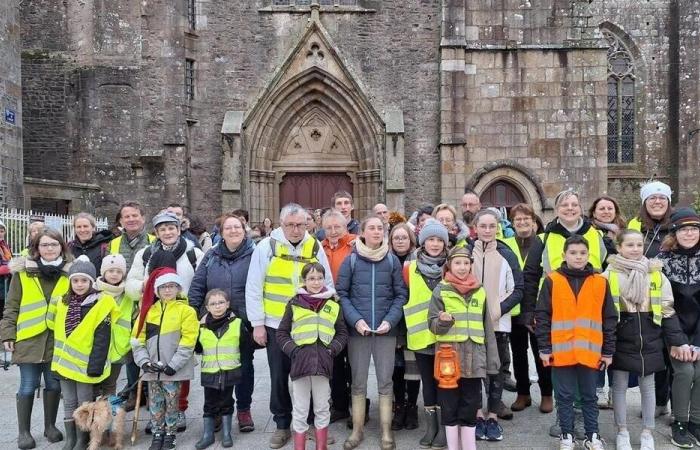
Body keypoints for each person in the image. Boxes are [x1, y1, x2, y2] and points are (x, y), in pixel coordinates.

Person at [245, 203, 333, 449]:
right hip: (276, 325)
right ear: (280, 224)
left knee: (312, 374)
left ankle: (314, 425)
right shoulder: (266, 247)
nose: (295, 230)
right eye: (290, 225)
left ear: (307, 224)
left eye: (300, 225)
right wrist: (258, 325)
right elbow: (253, 287)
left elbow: (327, 282)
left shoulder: (314, 246)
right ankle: (283, 424)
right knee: (278, 375)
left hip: (309, 324)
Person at [522, 189, 609, 437]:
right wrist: (530, 312)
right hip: (557, 310)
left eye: (574, 204)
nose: (570, 208)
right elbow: (530, 276)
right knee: (562, 368)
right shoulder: (544, 238)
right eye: (564, 205)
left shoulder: (595, 234)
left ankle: (582, 420)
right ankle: (564, 419)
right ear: (556, 209)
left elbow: (605, 268)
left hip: (588, 313)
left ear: (580, 207)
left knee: (585, 364)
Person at [602, 229, 688, 450]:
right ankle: (622, 431)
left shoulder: (656, 273)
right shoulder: (608, 275)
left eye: (639, 245)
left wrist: (676, 340)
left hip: (649, 336)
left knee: (648, 387)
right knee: (618, 386)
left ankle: (647, 432)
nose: (635, 249)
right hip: (620, 336)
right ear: (619, 247)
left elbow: (667, 309)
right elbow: (600, 311)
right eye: (629, 245)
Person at [535, 235, 618, 450]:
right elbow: (542, 316)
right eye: (573, 253)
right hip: (561, 352)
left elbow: (609, 318)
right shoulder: (552, 280)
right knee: (564, 397)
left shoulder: (600, 281)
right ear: (564, 255)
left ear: (589, 255)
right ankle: (567, 436)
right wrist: (544, 348)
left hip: (591, 352)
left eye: (582, 253)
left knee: (590, 397)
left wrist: (608, 352)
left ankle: (592, 436)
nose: (578, 257)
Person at [127, 211, 204, 433]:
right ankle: (157, 412)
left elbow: (201, 281)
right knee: (153, 363)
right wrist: (144, 286)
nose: (167, 232)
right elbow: (131, 283)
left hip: (183, 314)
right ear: (157, 233)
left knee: (180, 360)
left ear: (179, 229)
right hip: (154, 313)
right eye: (162, 229)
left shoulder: (193, 253)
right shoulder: (146, 254)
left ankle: (179, 408)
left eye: (171, 228)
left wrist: (195, 309)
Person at [336, 215, 408, 450]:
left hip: (386, 331)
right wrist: (356, 321)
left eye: (380, 228)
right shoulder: (351, 260)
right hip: (359, 333)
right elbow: (342, 294)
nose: (377, 232)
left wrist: (390, 320)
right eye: (372, 228)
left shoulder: (391, 261)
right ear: (363, 232)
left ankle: (386, 431)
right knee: (358, 382)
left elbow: (400, 294)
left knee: (385, 382)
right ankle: (357, 430)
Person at [0, 228, 72, 449]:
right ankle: (24, 432)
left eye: (54, 244)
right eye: (44, 245)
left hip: (57, 338)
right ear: (36, 249)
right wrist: (7, 334)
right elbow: (11, 305)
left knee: (53, 384)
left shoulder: (70, 273)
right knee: (28, 385)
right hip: (29, 339)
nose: (49, 248)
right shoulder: (23, 273)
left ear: (61, 247)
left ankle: (49, 427)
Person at [189, 213, 257, 433]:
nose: (233, 231)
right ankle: (216, 410)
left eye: (237, 227)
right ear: (221, 231)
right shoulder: (211, 255)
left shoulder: (255, 253)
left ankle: (244, 410)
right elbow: (198, 285)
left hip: (243, 321)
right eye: (228, 228)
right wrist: (196, 313)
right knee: (215, 366)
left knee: (244, 367)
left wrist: (257, 320)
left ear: (244, 229)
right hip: (214, 320)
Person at [428, 246, 499, 450]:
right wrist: (442, 321)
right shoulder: (440, 290)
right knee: (449, 406)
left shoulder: (480, 291)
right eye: (457, 263)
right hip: (449, 361)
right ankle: (453, 446)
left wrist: (492, 362)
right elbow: (432, 325)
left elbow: (488, 330)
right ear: (449, 265)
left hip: (475, 361)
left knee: (471, 405)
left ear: (471, 265)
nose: (462, 267)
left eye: (466, 263)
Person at [277, 262, 348, 450]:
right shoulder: (294, 303)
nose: (316, 282)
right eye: (311, 279)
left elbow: (342, 333)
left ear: (324, 279)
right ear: (304, 281)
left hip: (323, 365)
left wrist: (332, 350)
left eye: (319, 278)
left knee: (322, 407)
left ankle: (321, 446)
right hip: (300, 364)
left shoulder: (333, 304)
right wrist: (293, 350)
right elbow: (281, 333)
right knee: (300, 410)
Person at [51, 255, 118, 450]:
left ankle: (83, 439)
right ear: (70, 282)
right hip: (64, 365)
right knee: (69, 403)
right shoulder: (63, 302)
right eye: (75, 280)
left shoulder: (101, 303)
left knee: (85, 404)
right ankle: (71, 439)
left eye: (84, 281)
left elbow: (102, 339)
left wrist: (95, 367)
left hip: (86, 366)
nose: (79, 285)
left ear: (91, 281)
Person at [470, 209, 524, 441]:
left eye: (492, 226)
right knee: (472, 370)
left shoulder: (507, 253)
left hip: (498, 324)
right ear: (476, 227)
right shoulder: (465, 251)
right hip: (469, 325)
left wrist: (497, 310)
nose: (488, 230)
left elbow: (518, 289)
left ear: (498, 227)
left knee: (496, 371)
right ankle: (477, 414)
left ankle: (492, 415)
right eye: (483, 226)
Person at [132, 269, 199, 450]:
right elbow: (138, 339)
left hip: (172, 368)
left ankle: (170, 433)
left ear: (178, 288)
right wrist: (144, 361)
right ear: (157, 290)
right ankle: (157, 432)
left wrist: (174, 365)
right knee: (155, 402)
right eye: (163, 287)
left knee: (172, 401)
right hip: (152, 367)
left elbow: (188, 340)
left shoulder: (186, 311)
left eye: (171, 286)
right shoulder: (148, 311)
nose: (167, 290)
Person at [627, 181, 675, 415]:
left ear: (668, 202)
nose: (657, 202)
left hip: (676, 297)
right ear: (645, 203)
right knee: (655, 353)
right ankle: (658, 402)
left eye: (662, 198)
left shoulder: (677, 226)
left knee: (674, 353)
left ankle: (679, 406)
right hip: (645, 300)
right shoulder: (637, 226)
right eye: (652, 198)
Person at [502, 203, 554, 414]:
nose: (522, 223)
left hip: (539, 307)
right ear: (512, 224)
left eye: (526, 219)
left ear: (534, 222)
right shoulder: (505, 244)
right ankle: (523, 393)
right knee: (518, 352)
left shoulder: (544, 243)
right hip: (514, 309)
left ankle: (546, 394)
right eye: (518, 220)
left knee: (542, 351)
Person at [402, 219, 449, 447]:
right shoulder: (409, 268)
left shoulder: (451, 267)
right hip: (420, 337)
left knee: (444, 382)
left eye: (440, 240)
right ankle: (431, 428)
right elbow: (403, 299)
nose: (435, 244)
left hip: (446, 337)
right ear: (422, 242)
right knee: (428, 384)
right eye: (431, 239)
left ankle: (443, 429)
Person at [657, 207, 700, 448]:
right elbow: (664, 305)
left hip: (698, 330)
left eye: (694, 228)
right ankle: (680, 423)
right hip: (672, 329)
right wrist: (679, 341)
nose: (690, 233)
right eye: (684, 229)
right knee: (684, 372)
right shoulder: (662, 262)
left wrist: (698, 343)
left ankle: (696, 421)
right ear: (675, 232)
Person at [195, 289, 249, 449]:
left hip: (229, 370)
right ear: (207, 307)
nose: (217, 306)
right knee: (209, 403)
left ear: (228, 304)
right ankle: (208, 435)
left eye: (221, 302)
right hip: (209, 372)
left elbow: (245, 346)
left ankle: (226, 433)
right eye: (213, 303)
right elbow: (197, 347)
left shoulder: (237, 324)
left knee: (227, 401)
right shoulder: (201, 326)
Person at [319, 210, 356, 423]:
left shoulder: (355, 246)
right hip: (327, 312)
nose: (333, 231)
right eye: (329, 227)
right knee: (333, 360)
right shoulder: (319, 247)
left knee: (354, 361)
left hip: (350, 310)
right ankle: (339, 405)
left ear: (346, 226)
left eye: (338, 227)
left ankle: (358, 405)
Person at [94, 254, 133, 397]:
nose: (114, 274)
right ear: (103, 272)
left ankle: (108, 416)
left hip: (118, 346)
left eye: (118, 271)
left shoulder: (128, 294)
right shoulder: (94, 291)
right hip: (96, 347)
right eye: (111, 271)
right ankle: (91, 417)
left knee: (110, 385)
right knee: (93, 385)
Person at [109, 201, 156, 271]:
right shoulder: (112, 244)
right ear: (121, 221)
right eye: (127, 217)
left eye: (135, 215)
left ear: (143, 219)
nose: (131, 219)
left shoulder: (155, 242)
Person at [0, 219, 13, 317]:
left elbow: (10, 260)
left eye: (1, 231)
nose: (0, 233)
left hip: (5, 284)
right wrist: (9, 268)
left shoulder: (5, 246)